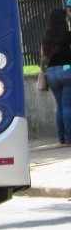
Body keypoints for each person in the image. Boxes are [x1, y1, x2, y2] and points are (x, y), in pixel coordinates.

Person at [41, 8, 71, 145]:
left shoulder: (46, 38)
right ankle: (69, 137)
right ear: (63, 19)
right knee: (68, 106)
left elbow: (43, 57)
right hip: (66, 71)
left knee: (60, 106)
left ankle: (62, 138)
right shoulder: (67, 35)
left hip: (51, 73)